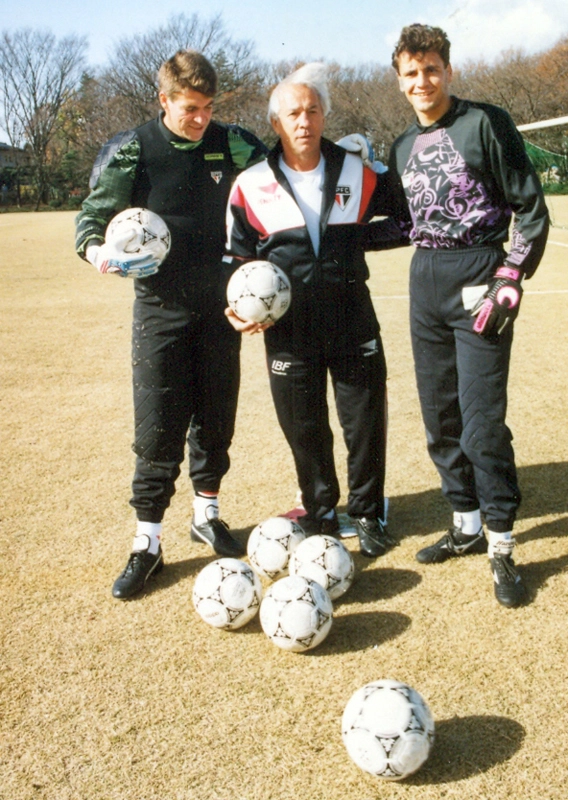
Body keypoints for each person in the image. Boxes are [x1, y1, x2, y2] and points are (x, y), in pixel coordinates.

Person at [75, 50, 268, 599]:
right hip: (159, 309)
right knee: (158, 424)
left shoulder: (235, 142)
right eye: (189, 108)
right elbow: (91, 218)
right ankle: (148, 542)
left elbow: (275, 186)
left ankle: (207, 515)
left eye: (207, 107)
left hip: (222, 308)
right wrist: (99, 254)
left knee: (215, 416)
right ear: (164, 100)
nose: (200, 118)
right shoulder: (133, 149)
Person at [387, 24, 549, 607]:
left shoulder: (485, 122)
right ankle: (465, 525)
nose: (422, 82)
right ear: (400, 81)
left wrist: (509, 276)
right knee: (441, 417)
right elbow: (402, 224)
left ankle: (502, 545)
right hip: (425, 281)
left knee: (482, 423)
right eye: (411, 73)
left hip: (480, 277)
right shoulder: (402, 145)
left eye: (431, 69)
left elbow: (529, 207)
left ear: (448, 71)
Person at [224, 63, 406, 558]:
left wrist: (353, 241)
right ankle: (322, 514)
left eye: (312, 110)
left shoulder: (358, 169)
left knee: (364, 420)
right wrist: (237, 309)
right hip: (289, 327)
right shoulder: (250, 183)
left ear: (324, 115)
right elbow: (238, 259)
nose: (303, 120)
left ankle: (368, 513)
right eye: (292, 113)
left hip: (352, 316)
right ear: (276, 123)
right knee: (303, 425)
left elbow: (408, 219)